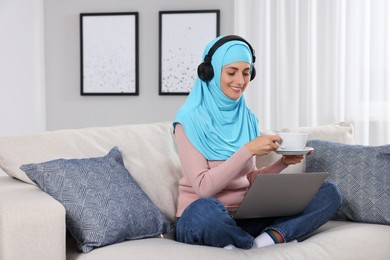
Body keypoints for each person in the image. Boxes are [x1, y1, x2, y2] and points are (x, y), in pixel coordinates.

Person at [172, 35, 342, 250]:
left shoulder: (248, 118)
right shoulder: (187, 121)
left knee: (328, 192)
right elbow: (204, 188)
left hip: (245, 217)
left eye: (246, 72)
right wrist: (248, 150)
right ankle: (253, 243)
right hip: (202, 219)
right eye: (231, 72)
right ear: (211, 72)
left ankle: (261, 242)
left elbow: (248, 179)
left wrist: (283, 163)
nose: (240, 81)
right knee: (204, 208)